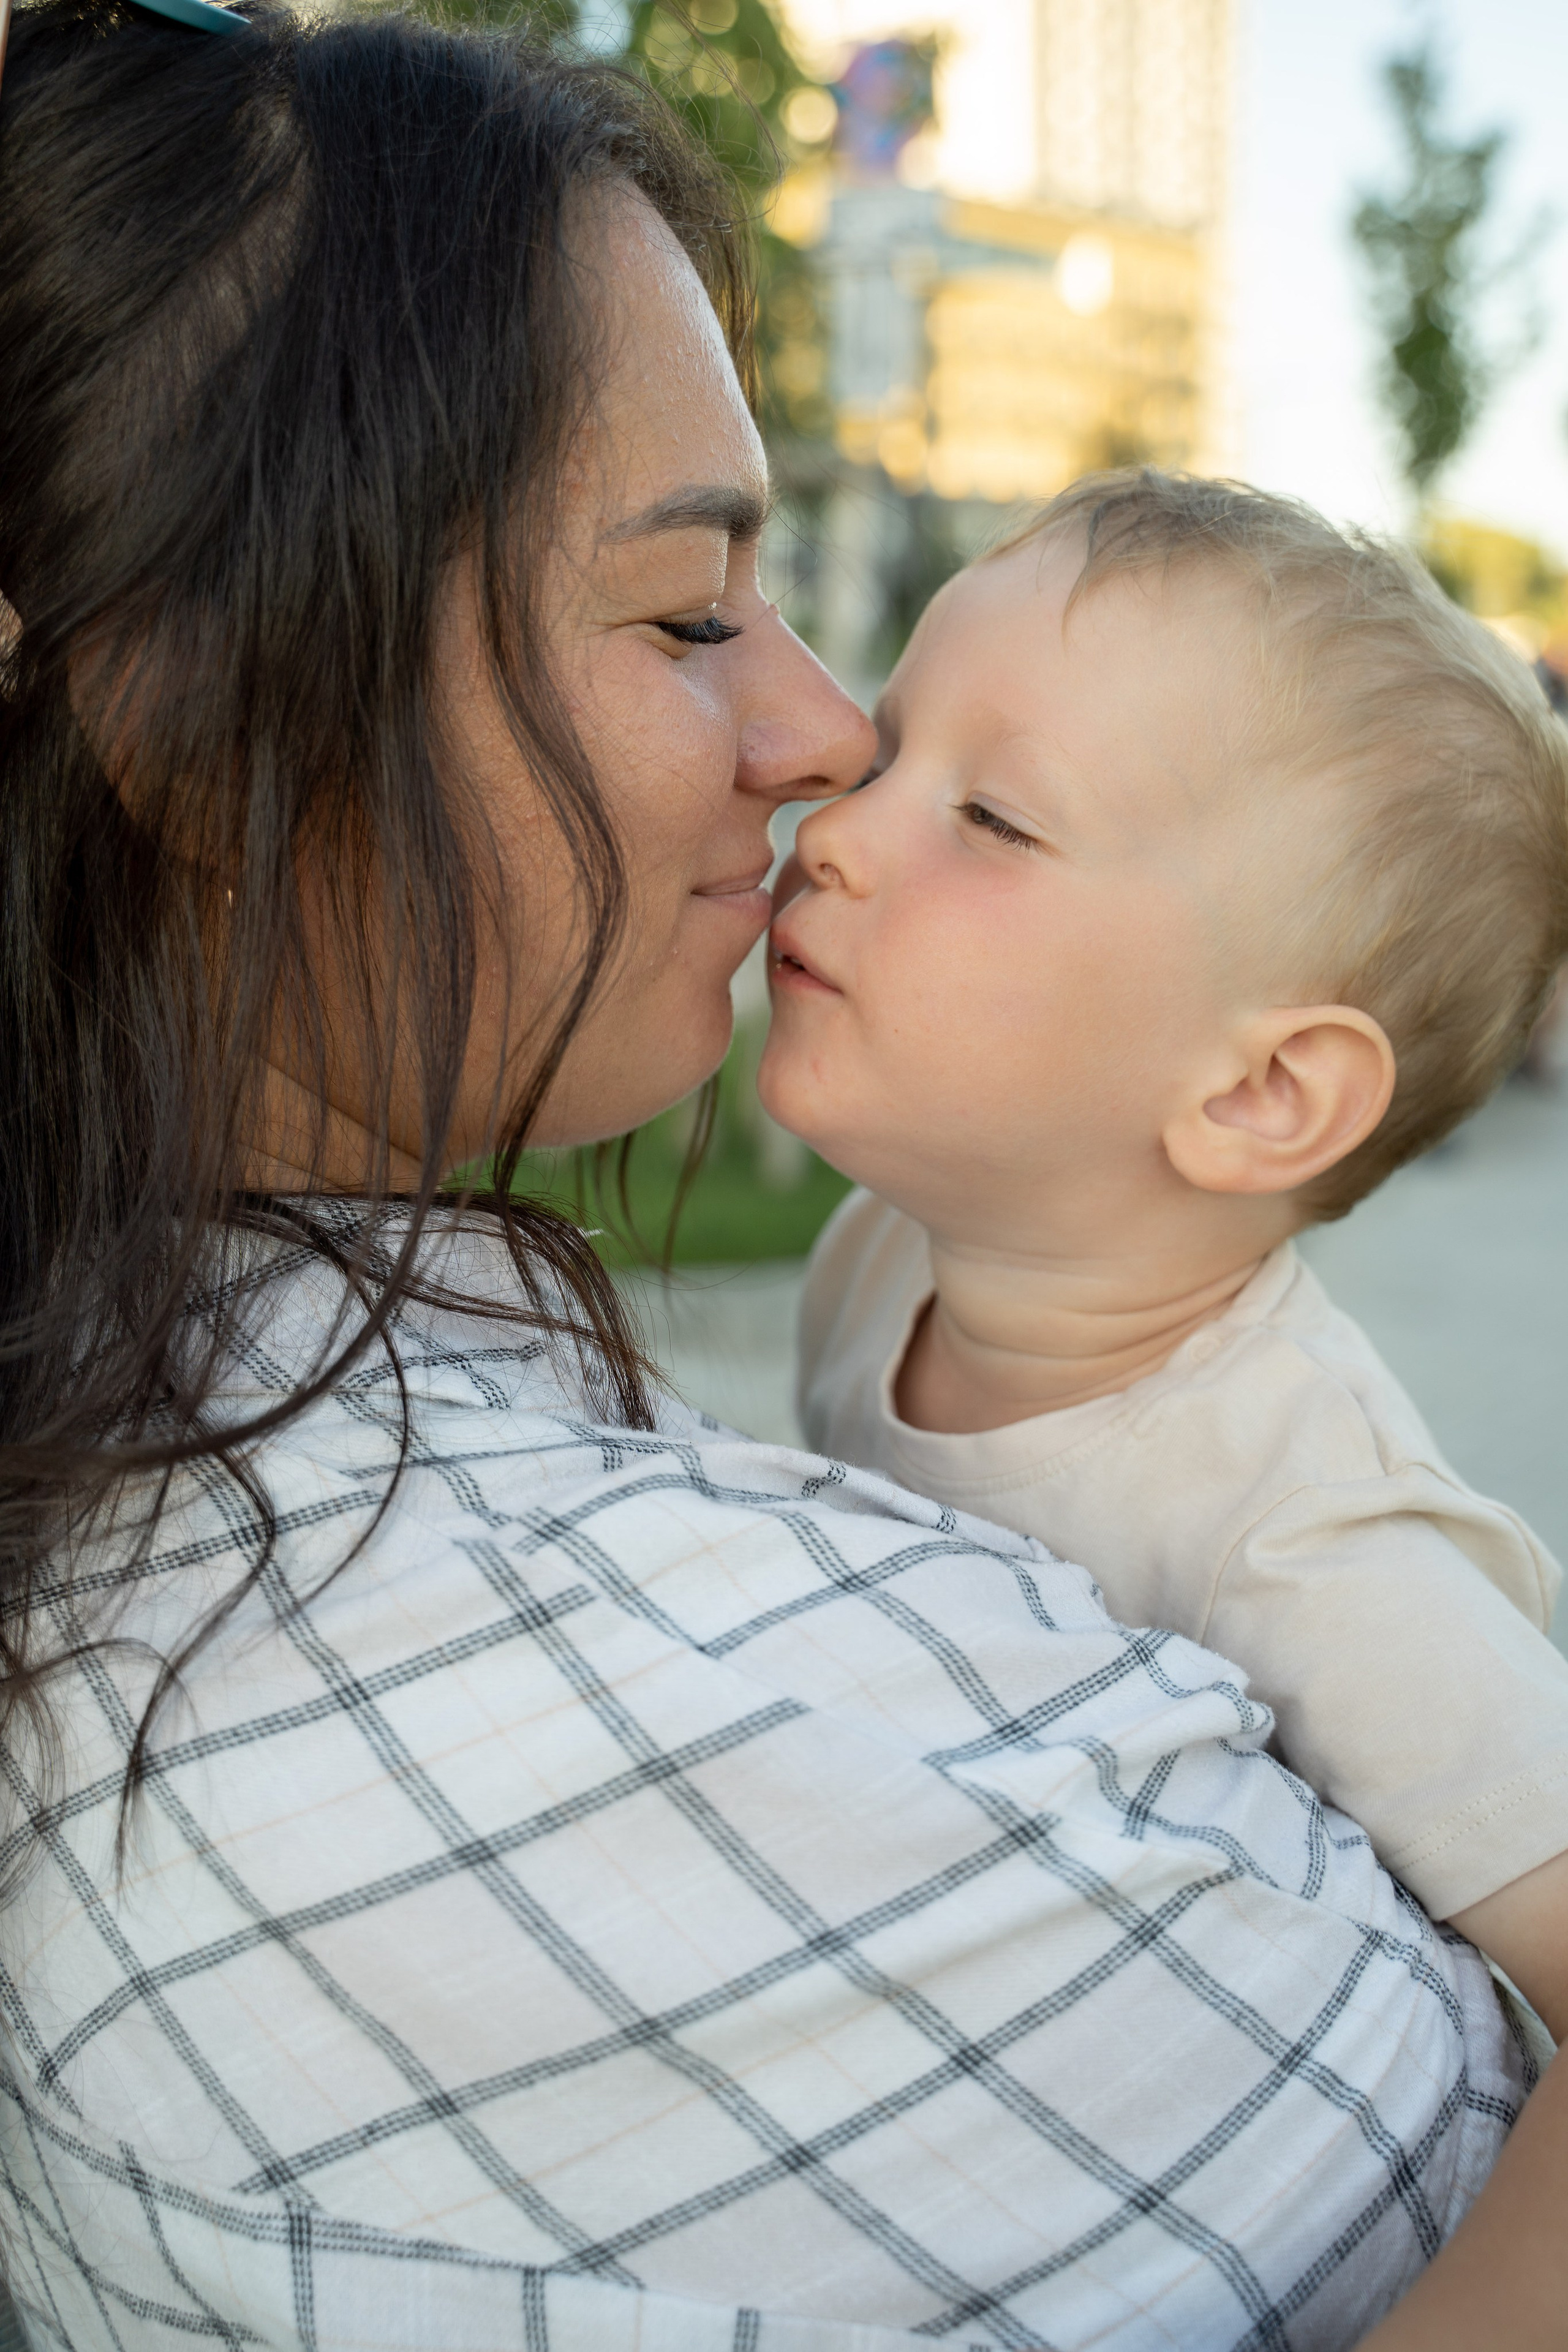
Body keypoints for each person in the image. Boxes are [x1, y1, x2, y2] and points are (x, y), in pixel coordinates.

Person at [0, 9, 1544, 2346]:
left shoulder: (1315, 1536)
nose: (827, 750)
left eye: (986, 810)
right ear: (198, 724)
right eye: (691, 610)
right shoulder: (433, 1687)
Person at [763, 470, 1568, 2345]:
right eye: (886, 746)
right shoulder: (883, 1255)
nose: (836, 830)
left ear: (1263, 1094)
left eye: (990, 816)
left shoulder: (1312, 1552)